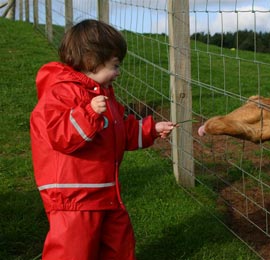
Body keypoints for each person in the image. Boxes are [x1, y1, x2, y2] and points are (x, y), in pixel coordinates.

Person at [30, 19, 175, 260]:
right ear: (92, 60)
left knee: (118, 245)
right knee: (73, 250)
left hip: (105, 191)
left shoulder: (101, 95)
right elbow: (60, 136)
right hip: (74, 196)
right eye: (115, 65)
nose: (118, 73)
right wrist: (88, 113)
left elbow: (119, 131)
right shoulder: (60, 92)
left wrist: (151, 129)